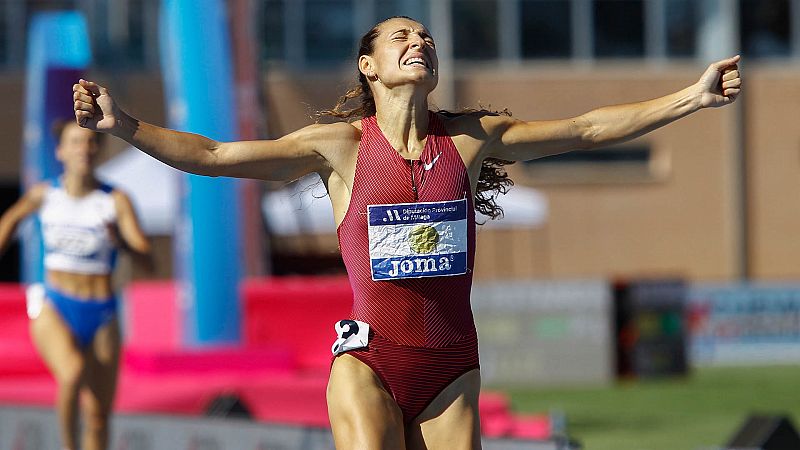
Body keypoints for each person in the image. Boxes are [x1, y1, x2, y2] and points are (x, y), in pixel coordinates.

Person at [71, 16, 741, 450]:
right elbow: (215, 158)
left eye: (427, 37)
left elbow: (589, 129)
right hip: (368, 362)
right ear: (368, 66)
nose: (419, 41)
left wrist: (693, 95)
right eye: (401, 37)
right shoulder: (337, 147)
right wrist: (123, 123)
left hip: (451, 368)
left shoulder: (474, 140)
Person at [0, 120, 152, 450]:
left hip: (102, 312)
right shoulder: (46, 194)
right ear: (60, 151)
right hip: (55, 304)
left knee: (98, 417)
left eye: (89, 142)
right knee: (72, 372)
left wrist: (121, 243)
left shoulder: (115, 201)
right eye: (75, 142)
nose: (83, 148)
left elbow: (147, 261)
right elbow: (9, 221)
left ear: (98, 150)